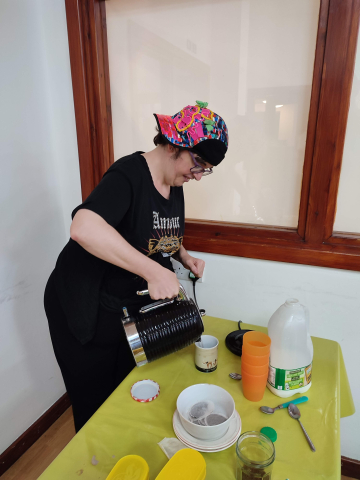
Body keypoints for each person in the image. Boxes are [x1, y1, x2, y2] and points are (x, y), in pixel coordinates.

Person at [44, 101, 229, 431]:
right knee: (96, 405)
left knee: (125, 389)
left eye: (206, 169)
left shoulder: (173, 183)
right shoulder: (129, 175)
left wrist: (183, 257)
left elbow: (156, 231)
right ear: (175, 142)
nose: (198, 176)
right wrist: (153, 271)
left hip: (125, 307)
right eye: (198, 163)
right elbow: (83, 228)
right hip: (84, 303)